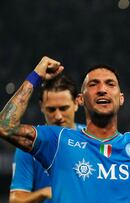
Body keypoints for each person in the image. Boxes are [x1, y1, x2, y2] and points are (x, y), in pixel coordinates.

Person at [0, 57, 130, 202]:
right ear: (81, 99)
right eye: (93, 84)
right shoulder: (58, 141)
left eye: (110, 84)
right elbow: (4, 127)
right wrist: (36, 76)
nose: (102, 89)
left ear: (121, 98)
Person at [9, 74, 85, 203]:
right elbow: (15, 200)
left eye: (63, 108)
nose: (58, 116)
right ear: (41, 106)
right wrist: (44, 192)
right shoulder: (28, 146)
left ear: (76, 103)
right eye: (51, 109)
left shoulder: (91, 139)